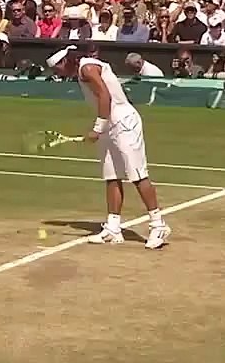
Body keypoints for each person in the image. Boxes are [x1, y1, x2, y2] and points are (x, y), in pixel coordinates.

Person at [46, 43, 171, 250]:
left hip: (124, 123)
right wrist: (102, 127)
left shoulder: (86, 68)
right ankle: (113, 228)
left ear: (64, 61)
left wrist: (97, 127)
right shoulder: (82, 70)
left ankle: (158, 225)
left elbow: (105, 96)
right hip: (110, 125)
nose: (56, 73)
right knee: (111, 175)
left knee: (138, 175)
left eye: (56, 68)